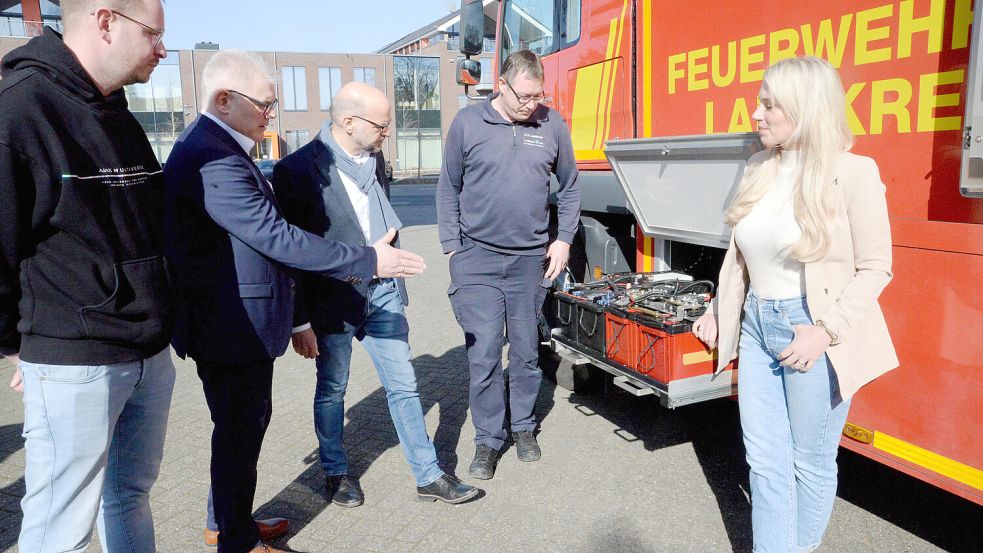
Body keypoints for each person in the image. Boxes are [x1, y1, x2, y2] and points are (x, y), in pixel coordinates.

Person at [163, 50, 425, 553]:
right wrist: (369, 260)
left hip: (236, 325)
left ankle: (229, 522)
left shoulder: (219, 145)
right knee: (239, 434)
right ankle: (234, 540)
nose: (272, 113)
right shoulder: (212, 155)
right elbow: (277, 237)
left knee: (241, 431)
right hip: (229, 327)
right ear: (224, 100)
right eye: (265, 103)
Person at [691, 56, 898, 553]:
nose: (756, 115)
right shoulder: (760, 166)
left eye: (769, 105)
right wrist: (721, 309)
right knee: (764, 462)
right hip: (759, 325)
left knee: (809, 461)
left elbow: (877, 267)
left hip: (812, 330)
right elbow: (738, 257)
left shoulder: (854, 173)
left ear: (805, 110)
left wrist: (823, 330)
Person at [0, 1, 176, 551]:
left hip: (149, 355)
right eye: (154, 34)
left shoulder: (118, 114)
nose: (163, 49)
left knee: (129, 497)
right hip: (76, 363)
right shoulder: (21, 110)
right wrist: (23, 346)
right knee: (61, 528)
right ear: (105, 21)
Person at [272, 82, 480, 506]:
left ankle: (427, 475)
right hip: (333, 297)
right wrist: (300, 320)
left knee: (405, 385)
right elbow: (290, 252)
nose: (388, 132)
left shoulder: (376, 159)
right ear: (349, 122)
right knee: (333, 388)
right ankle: (335, 472)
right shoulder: (295, 171)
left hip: (383, 292)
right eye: (382, 125)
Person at [436, 50, 581, 480]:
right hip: (476, 260)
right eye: (523, 96)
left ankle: (522, 427)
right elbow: (448, 187)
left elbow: (570, 187)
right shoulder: (467, 124)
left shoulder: (550, 124)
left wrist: (563, 240)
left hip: (529, 262)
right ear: (500, 84)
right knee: (482, 355)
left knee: (525, 353)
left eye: (538, 96)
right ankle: (487, 440)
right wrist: (451, 248)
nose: (531, 105)